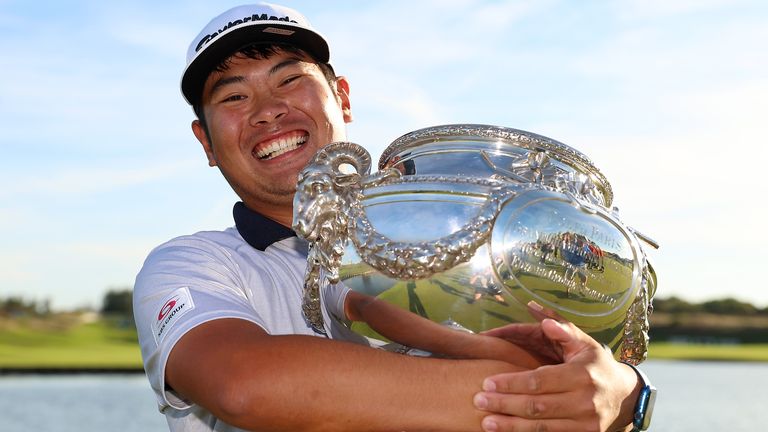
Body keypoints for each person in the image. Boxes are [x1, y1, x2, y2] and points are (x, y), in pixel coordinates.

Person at [133, 3, 651, 431]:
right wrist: (552, 400)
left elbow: (581, 360)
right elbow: (245, 386)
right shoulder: (192, 264)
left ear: (342, 97)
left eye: (289, 80)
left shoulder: (466, 233)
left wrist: (626, 393)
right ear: (205, 142)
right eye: (234, 96)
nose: (268, 110)